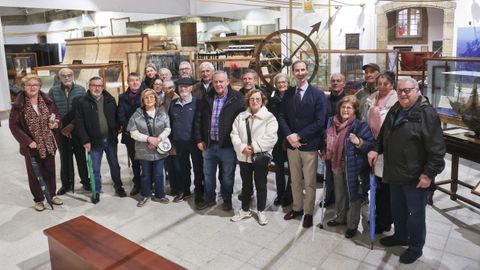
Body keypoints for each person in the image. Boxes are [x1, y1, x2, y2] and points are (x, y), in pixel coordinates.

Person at [368, 78, 446, 264]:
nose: (403, 94)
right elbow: (383, 133)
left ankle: (416, 246)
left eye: (407, 90)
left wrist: (428, 174)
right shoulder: (396, 109)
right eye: (401, 90)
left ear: (417, 91)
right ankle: (401, 236)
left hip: (415, 175)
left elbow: (437, 149)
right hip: (395, 172)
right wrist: (375, 149)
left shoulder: (426, 114)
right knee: (398, 209)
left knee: (415, 214)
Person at [278, 60, 327, 228]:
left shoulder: (318, 95)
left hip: (309, 145)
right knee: (295, 180)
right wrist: (289, 135)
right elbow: (282, 116)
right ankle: (297, 208)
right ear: (293, 72)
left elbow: (320, 121)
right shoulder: (289, 93)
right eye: (296, 70)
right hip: (292, 145)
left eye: (302, 69)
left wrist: (298, 135)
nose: (300, 73)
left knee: (310, 182)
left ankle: (308, 212)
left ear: (307, 71)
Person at [10, 75, 63, 211]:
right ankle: (39, 199)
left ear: (40, 86)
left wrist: (55, 123)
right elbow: (14, 125)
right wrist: (27, 141)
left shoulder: (47, 101)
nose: (32, 87)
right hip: (32, 147)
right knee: (34, 174)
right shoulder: (18, 105)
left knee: (50, 171)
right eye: (29, 85)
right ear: (24, 87)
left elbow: (57, 115)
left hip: (49, 143)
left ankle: (52, 195)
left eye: (35, 85)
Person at [324, 95, 374, 238]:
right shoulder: (332, 123)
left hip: (353, 165)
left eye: (349, 108)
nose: (345, 110)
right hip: (336, 163)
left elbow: (370, 144)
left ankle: (352, 224)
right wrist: (325, 149)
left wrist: (358, 142)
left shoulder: (360, 125)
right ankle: (340, 218)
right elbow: (327, 139)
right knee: (339, 193)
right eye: (343, 107)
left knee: (353, 195)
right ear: (339, 108)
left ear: (355, 110)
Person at [194, 70, 245, 211]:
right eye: (215, 81)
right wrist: (199, 139)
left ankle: (227, 199)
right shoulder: (206, 97)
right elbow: (198, 120)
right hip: (209, 145)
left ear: (227, 82)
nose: (218, 84)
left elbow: (242, 123)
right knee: (209, 175)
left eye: (221, 81)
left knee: (227, 175)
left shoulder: (237, 98)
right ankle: (209, 198)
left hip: (228, 146)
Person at [76, 77, 127, 203]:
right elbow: (79, 123)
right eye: (94, 85)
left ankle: (118, 187)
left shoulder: (110, 99)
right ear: (89, 86)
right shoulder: (82, 102)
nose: (97, 88)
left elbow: (115, 116)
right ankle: (96, 191)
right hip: (93, 142)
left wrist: (116, 130)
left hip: (110, 140)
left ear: (103, 87)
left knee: (115, 165)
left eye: (99, 85)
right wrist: (85, 140)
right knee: (95, 168)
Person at [230, 89, 278, 225]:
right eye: (252, 99)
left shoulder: (270, 118)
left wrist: (253, 148)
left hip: (260, 157)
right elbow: (234, 134)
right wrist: (242, 147)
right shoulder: (241, 117)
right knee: (246, 185)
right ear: (248, 101)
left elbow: (271, 137)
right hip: (244, 157)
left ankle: (261, 211)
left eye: (258, 99)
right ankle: (245, 210)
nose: (255, 101)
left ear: (262, 101)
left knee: (261, 184)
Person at [47, 68, 89, 194]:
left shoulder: (81, 90)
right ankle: (66, 184)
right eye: (64, 76)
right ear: (59, 78)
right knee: (65, 158)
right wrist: (55, 123)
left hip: (77, 129)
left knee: (81, 157)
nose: (67, 78)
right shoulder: (53, 91)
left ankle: (85, 182)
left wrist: (72, 125)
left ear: (73, 76)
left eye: (69, 75)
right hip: (60, 130)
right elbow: (50, 109)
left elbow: (84, 110)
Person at [366, 71, 398, 234]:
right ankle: (376, 215)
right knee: (376, 187)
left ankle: (385, 221)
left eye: (386, 84)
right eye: (379, 84)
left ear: (392, 84)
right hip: (373, 147)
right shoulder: (373, 98)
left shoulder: (396, 102)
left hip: (387, 150)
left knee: (386, 189)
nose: (382, 87)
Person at [127, 89, 171, 207]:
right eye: (146, 97)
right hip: (144, 150)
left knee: (159, 173)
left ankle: (160, 195)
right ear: (143, 100)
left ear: (156, 99)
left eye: (152, 97)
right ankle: (145, 195)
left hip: (159, 148)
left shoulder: (162, 113)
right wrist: (148, 139)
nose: (149, 99)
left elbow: (168, 128)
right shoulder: (137, 114)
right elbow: (133, 132)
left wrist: (157, 140)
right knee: (145, 173)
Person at [169, 77, 204, 203]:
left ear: (191, 88)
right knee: (183, 168)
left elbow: (201, 123)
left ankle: (199, 192)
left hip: (194, 142)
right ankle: (185, 191)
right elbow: (170, 122)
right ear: (177, 89)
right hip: (179, 142)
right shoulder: (173, 104)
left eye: (186, 86)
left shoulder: (198, 102)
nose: (183, 89)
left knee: (198, 168)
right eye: (180, 87)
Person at [322, 73, 348, 207]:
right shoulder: (325, 100)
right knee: (328, 171)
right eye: (333, 81)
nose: (336, 83)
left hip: (343, 142)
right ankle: (329, 197)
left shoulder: (348, 100)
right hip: (328, 141)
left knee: (340, 173)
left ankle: (341, 202)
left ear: (344, 83)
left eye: (338, 81)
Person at [118, 72, 145, 196]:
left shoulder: (146, 94)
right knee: (135, 161)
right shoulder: (123, 97)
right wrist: (131, 128)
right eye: (132, 80)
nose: (135, 82)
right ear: (128, 82)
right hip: (130, 134)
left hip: (144, 133)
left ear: (140, 81)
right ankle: (137, 183)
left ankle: (147, 183)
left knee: (145, 160)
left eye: (137, 80)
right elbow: (121, 115)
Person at [267, 73, 292, 207]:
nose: (281, 85)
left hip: (290, 137)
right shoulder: (272, 100)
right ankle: (280, 195)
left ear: (288, 83)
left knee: (293, 169)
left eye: (284, 82)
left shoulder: (294, 97)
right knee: (279, 169)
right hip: (277, 138)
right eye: (279, 83)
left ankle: (289, 194)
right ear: (276, 85)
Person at [159, 79, 179, 196]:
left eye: (170, 88)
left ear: (174, 88)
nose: (167, 90)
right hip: (165, 137)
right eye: (165, 88)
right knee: (169, 165)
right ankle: (173, 187)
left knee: (178, 165)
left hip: (176, 137)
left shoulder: (178, 99)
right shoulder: (160, 101)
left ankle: (180, 187)